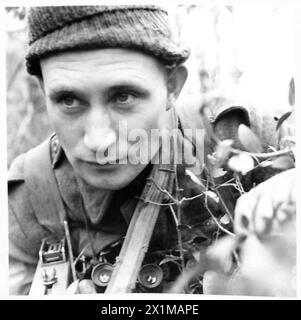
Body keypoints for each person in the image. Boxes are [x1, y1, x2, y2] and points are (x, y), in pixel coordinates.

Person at [8, 5, 294, 295]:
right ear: (43, 89)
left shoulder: (247, 136)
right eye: (69, 100)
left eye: (123, 96)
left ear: (172, 86)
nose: (98, 140)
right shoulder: (31, 195)